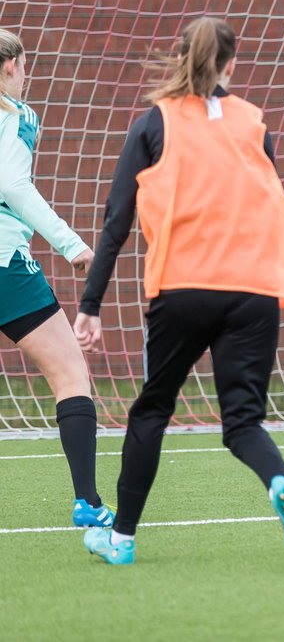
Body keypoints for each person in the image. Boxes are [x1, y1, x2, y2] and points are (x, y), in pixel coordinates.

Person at [73, 16, 284, 565]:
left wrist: (91, 304)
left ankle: (122, 539)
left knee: (152, 411)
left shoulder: (153, 123)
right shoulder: (254, 123)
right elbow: (273, 206)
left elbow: (117, 222)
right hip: (253, 290)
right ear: (232, 63)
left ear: (180, 56)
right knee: (244, 422)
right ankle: (279, 480)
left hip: (182, 289)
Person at [0, 29, 113, 529]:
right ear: (10, 67)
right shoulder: (16, 115)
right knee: (71, 374)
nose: (26, 75)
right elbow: (12, 185)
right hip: (5, 265)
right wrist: (72, 244)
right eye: (25, 66)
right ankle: (89, 504)